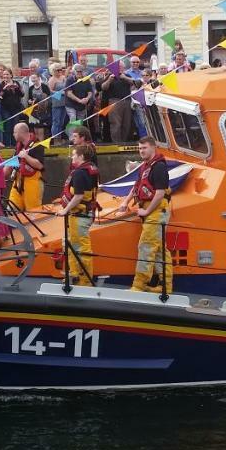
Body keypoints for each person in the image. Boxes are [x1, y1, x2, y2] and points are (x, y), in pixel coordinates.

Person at [126, 137, 172, 294]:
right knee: (159, 249)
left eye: (144, 148)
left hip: (156, 211)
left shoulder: (159, 168)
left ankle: (139, 284)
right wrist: (125, 202)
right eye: (140, 148)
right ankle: (165, 285)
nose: (141, 151)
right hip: (149, 212)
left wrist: (146, 211)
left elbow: (159, 194)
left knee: (145, 246)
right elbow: (136, 187)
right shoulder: (145, 167)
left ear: (153, 148)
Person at [57, 143, 99, 286]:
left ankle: (85, 280)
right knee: (70, 244)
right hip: (81, 215)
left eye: (74, 154)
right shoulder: (90, 169)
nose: (72, 157)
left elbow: (78, 196)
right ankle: (74, 274)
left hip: (80, 216)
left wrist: (65, 209)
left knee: (81, 248)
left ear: (81, 156)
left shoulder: (80, 173)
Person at [8, 122, 46, 212]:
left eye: (14, 132)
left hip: (32, 183)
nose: (13, 134)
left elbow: (40, 165)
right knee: (11, 210)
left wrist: (26, 156)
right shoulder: (18, 146)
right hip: (18, 182)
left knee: (33, 212)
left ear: (21, 133)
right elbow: (13, 162)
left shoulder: (37, 145)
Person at [98, 66, 135, 142]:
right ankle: (116, 142)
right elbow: (103, 87)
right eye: (118, 67)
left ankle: (124, 142)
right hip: (114, 101)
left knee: (126, 123)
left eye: (121, 67)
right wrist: (109, 80)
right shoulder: (110, 76)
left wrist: (124, 77)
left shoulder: (127, 76)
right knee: (116, 123)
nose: (119, 69)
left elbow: (135, 83)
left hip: (127, 101)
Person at [0, 67, 24, 145]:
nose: (5, 76)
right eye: (4, 74)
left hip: (16, 108)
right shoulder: (1, 85)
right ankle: (7, 145)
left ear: (11, 75)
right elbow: (0, 97)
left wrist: (17, 88)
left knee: (15, 127)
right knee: (7, 127)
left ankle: (15, 144)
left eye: (7, 74)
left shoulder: (16, 82)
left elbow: (22, 94)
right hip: (5, 109)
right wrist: (5, 89)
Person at [47, 63, 69, 142]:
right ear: (53, 71)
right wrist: (60, 93)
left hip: (64, 102)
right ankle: (55, 139)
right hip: (56, 103)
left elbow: (68, 87)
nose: (60, 71)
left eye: (61, 69)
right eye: (58, 70)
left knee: (62, 121)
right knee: (56, 121)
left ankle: (60, 137)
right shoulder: (52, 80)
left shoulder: (63, 77)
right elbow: (50, 92)